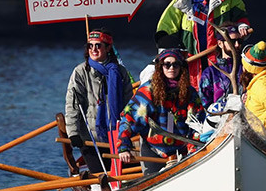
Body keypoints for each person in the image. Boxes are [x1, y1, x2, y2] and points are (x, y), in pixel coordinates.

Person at [156, 0, 251, 84]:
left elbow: (241, 16)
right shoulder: (182, 0)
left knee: (220, 89)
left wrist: (242, 26)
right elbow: (166, 27)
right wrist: (166, 55)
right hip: (192, 61)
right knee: (194, 93)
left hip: (220, 58)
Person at [117, 48, 205, 175]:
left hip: (182, 152)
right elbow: (129, 120)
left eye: (175, 64)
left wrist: (194, 149)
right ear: (160, 67)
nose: (171, 68)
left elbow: (197, 123)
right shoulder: (147, 91)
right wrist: (123, 147)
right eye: (167, 64)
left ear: (181, 67)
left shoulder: (189, 92)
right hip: (153, 151)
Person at [64, 28, 134, 174]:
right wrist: (73, 134)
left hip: (117, 137)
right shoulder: (80, 72)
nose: (93, 49)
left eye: (98, 45)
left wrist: (128, 134)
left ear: (108, 48)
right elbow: (73, 106)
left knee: (128, 174)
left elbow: (129, 106)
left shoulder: (120, 72)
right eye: (90, 45)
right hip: (90, 139)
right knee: (100, 175)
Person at [198, 22, 243, 108]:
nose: (237, 45)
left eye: (239, 41)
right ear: (220, 44)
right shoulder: (210, 73)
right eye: (232, 41)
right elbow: (205, 105)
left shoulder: (246, 68)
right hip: (219, 119)